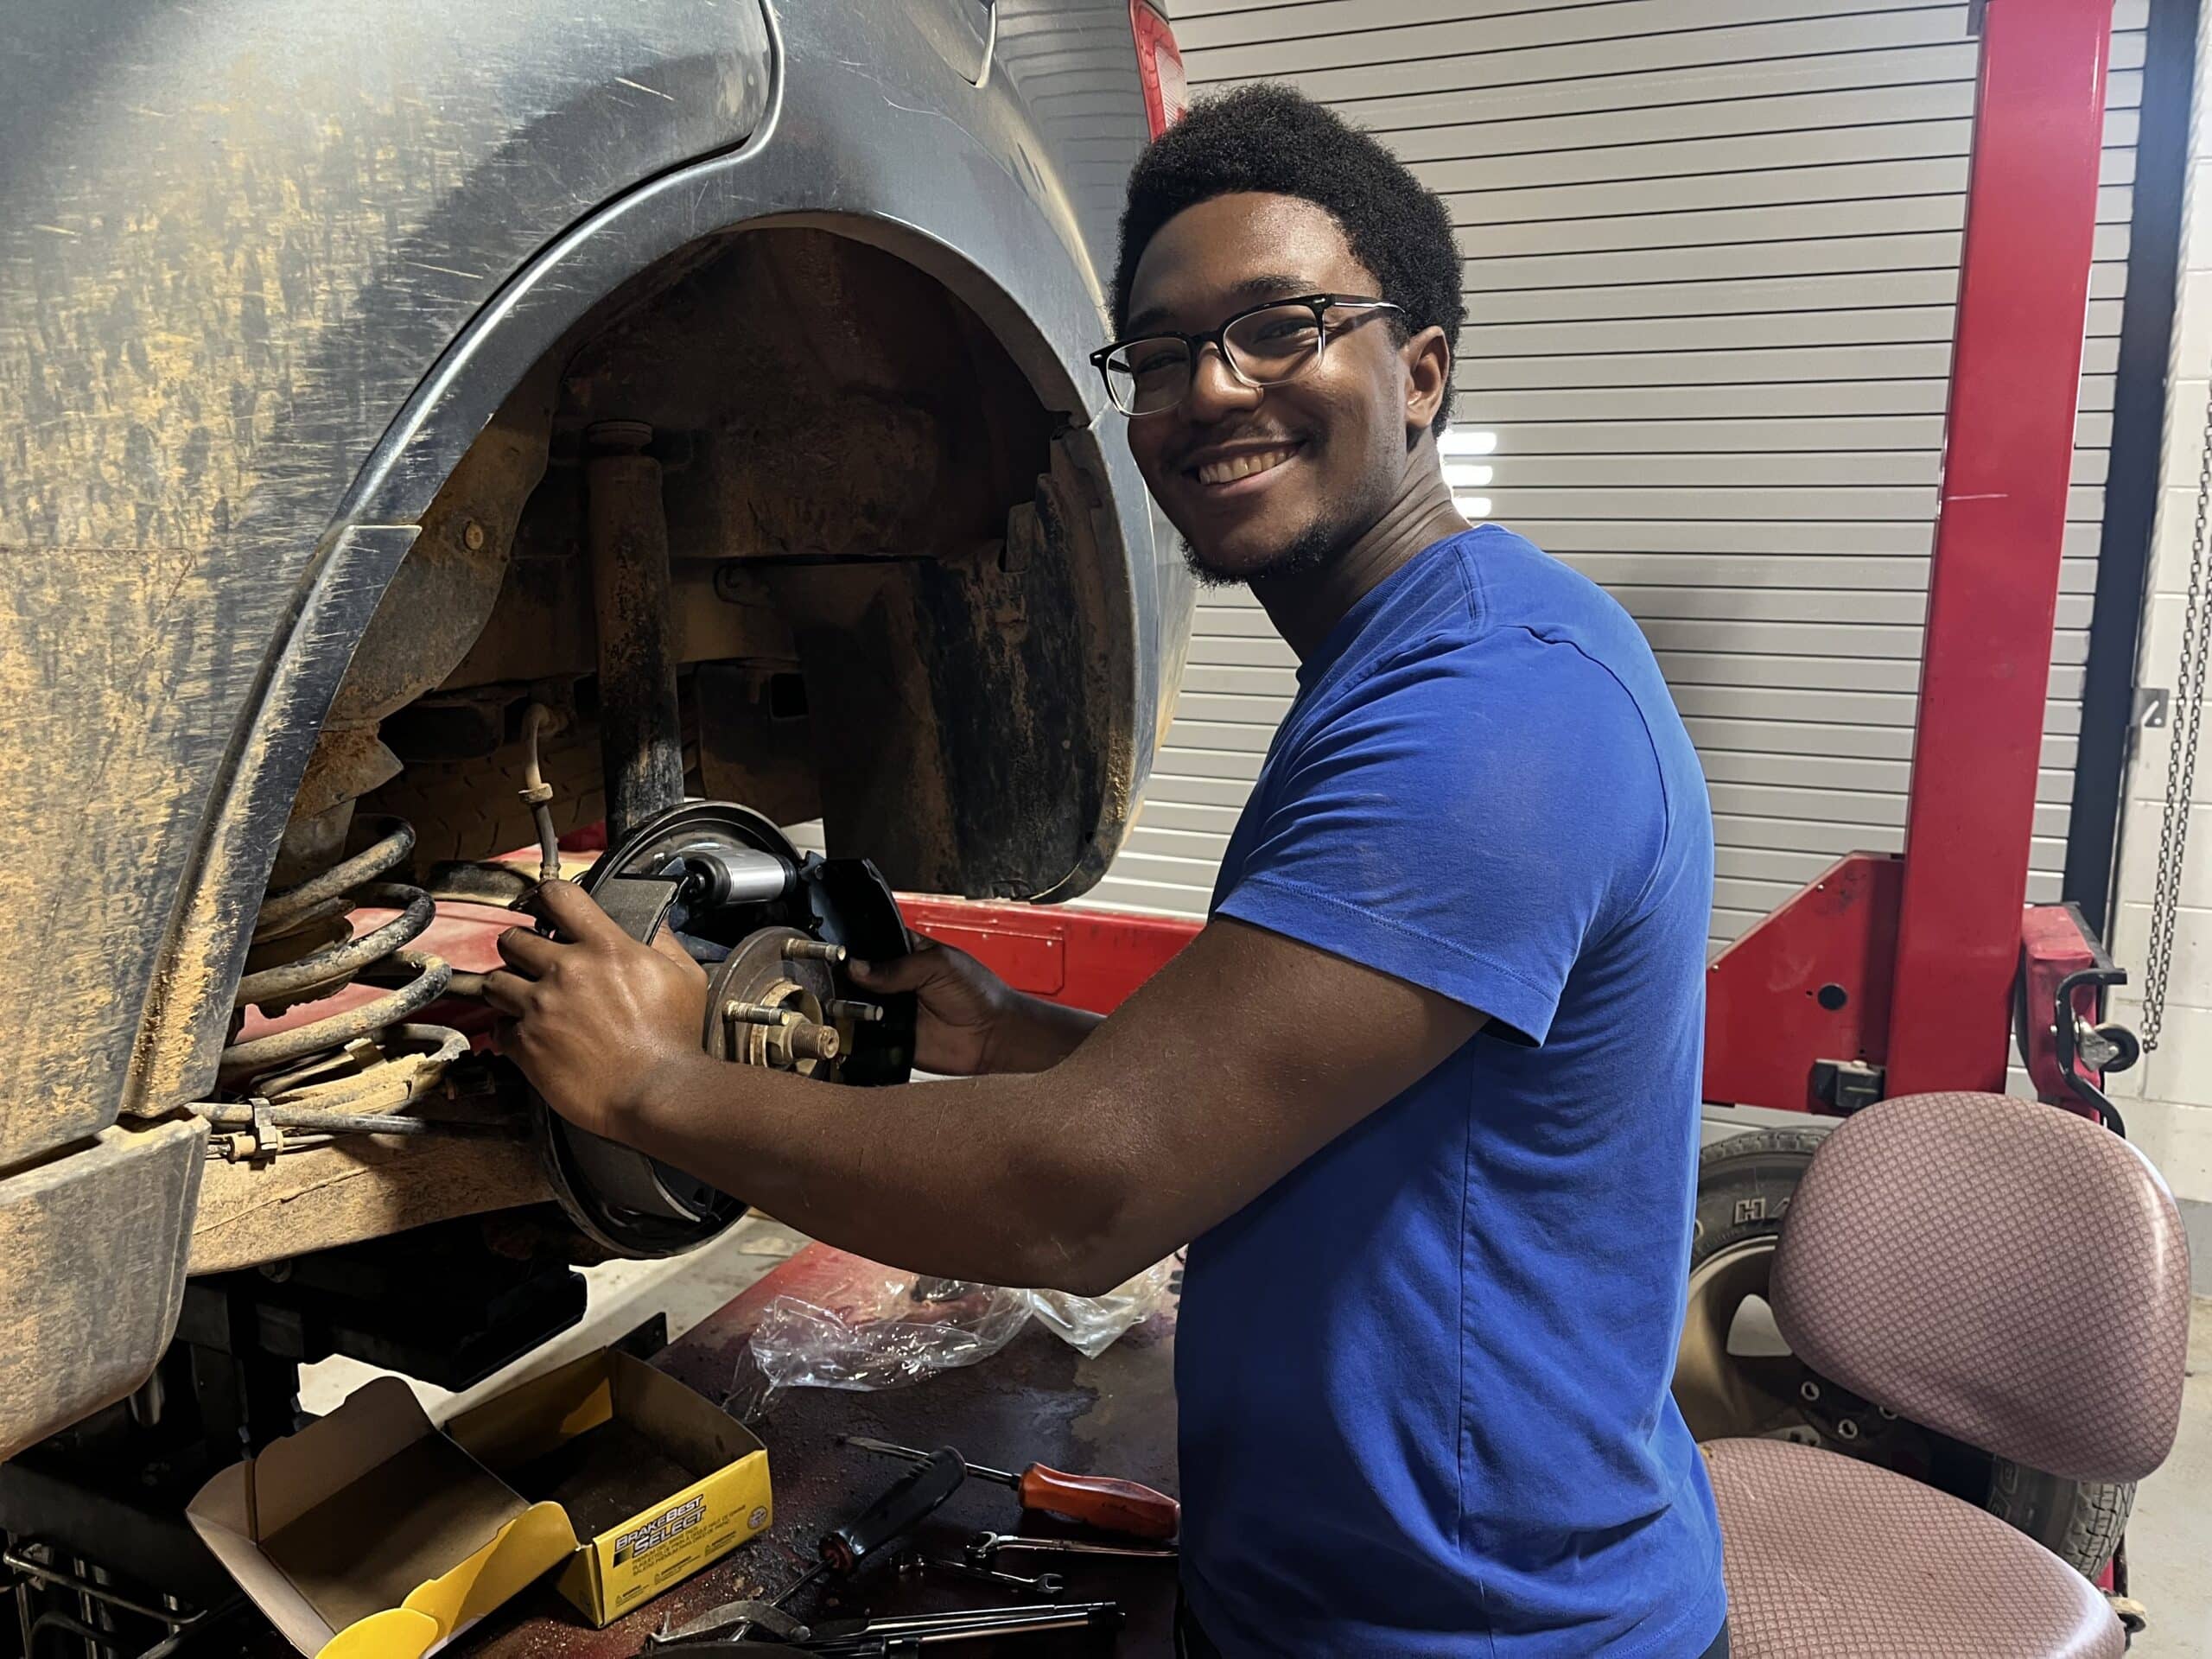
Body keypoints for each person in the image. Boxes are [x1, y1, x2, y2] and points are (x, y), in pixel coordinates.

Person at [486, 83, 1727, 1659]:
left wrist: (654, 1083)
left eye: (1280, 327)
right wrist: (1007, 1037)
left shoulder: (1495, 714)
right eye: (1159, 352)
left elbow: (1093, 1194)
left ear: (1420, 373)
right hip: (1336, 1583)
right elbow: (1320, 1128)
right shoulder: (1417, 665)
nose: (1208, 391)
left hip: (1472, 1633)